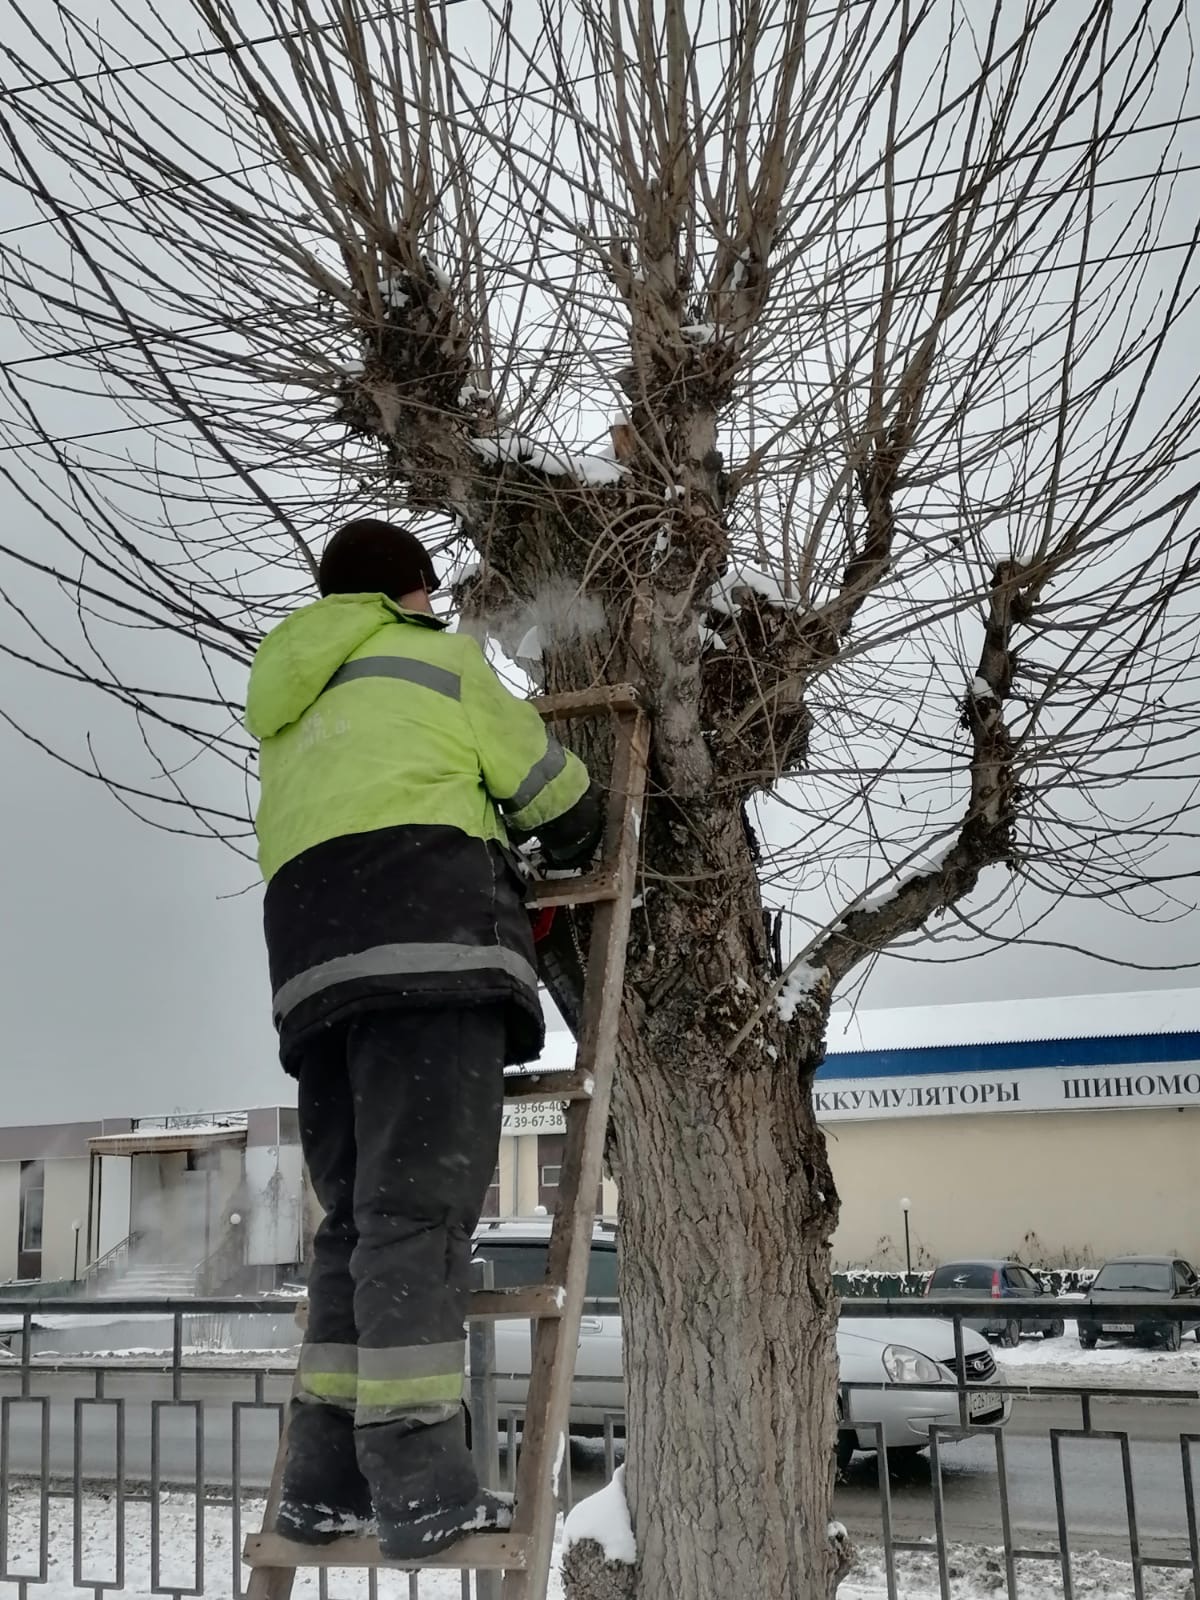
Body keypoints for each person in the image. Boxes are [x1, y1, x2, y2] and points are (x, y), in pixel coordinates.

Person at [244, 519, 601, 1558]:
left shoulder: (292, 703)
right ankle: (422, 1490)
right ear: (407, 591)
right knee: (416, 1222)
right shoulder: (439, 662)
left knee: (355, 1226)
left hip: (313, 985)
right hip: (428, 958)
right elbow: (561, 799)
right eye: (429, 593)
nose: (436, 607)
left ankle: (320, 1485)